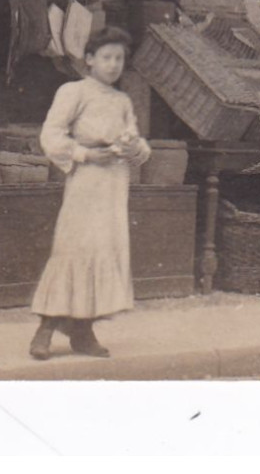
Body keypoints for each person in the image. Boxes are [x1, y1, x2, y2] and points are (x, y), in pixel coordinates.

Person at [29, 26, 151, 361]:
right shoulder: (74, 92)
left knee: (103, 251)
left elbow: (137, 144)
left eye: (119, 58)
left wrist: (134, 146)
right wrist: (83, 154)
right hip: (85, 180)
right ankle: (45, 328)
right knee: (75, 249)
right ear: (90, 59)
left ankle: (83, 332)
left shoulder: (123, 101)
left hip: (113, 183)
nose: (113, 65)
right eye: (106, 57)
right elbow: (51, 136)